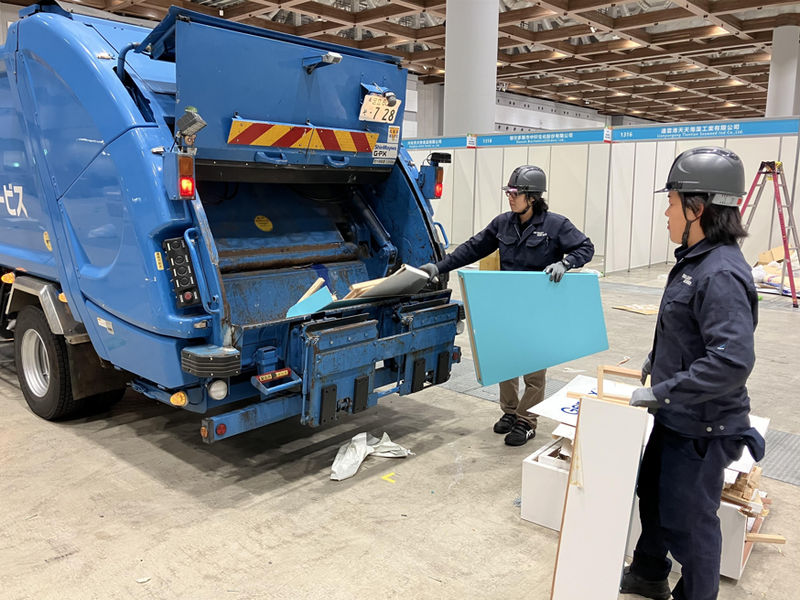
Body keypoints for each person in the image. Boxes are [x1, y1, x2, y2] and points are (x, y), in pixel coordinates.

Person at [621, 147, 765, 600]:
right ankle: (648, 574)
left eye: (671, 202)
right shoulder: (696, 260)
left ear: (696, 208)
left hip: (702, 425)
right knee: (652, 495)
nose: (666, 213)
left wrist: (661, 391)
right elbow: (690, 331)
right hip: (677, 416)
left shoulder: (720, 273)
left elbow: (731, 361)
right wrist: (656, 359)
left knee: (689, 526)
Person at [419, 165, 594, 446]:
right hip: (508, 306)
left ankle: (527, 421)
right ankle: (510, 412)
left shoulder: (556, 225)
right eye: (508, 192)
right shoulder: (503, 223)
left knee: (533, 368)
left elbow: (585, 247)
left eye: (515, 193)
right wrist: (439, 267)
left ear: (532, 197)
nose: (510, 198)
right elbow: (473, 248)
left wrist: (565, 263)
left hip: (538, 309)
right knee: (506, 362)